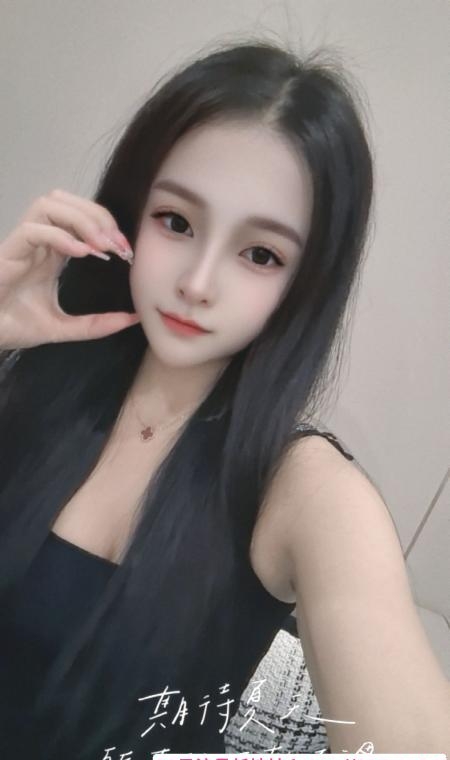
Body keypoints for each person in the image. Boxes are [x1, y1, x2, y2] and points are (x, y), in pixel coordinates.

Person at [0, 38, 448, 759]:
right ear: (129, 214)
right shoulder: (37, 383)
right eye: (176, 221)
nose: (198, 282)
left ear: (305, 284)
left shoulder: (304, 491)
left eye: (261, 254)